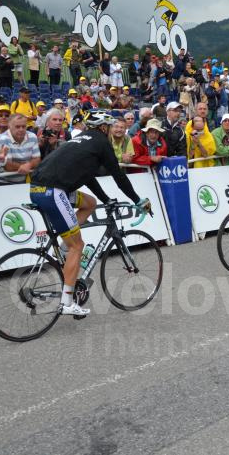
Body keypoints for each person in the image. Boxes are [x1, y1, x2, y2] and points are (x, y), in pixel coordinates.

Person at [28, 111, 151, 316]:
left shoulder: (82, 140)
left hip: (38, 189)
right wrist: (137, 200)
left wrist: (105, 199)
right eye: (109, 127)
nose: (110, 130)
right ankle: (67, 302)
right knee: (78, 246)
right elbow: (119, 177)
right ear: (103, 127)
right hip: (54, 192)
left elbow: (87, 177)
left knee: (90, 203)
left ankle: (64, 246)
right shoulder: (101, 142)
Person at [0, 114, 41, 183]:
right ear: (9, 127)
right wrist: (27, 166)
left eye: (24, 126)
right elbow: (8, 166)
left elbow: (37, 160)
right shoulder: (3, 139)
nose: (21, 129)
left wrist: (28, 165)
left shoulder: (32, 136)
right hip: (5, 182)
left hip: (26, 181)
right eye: (17, 127)